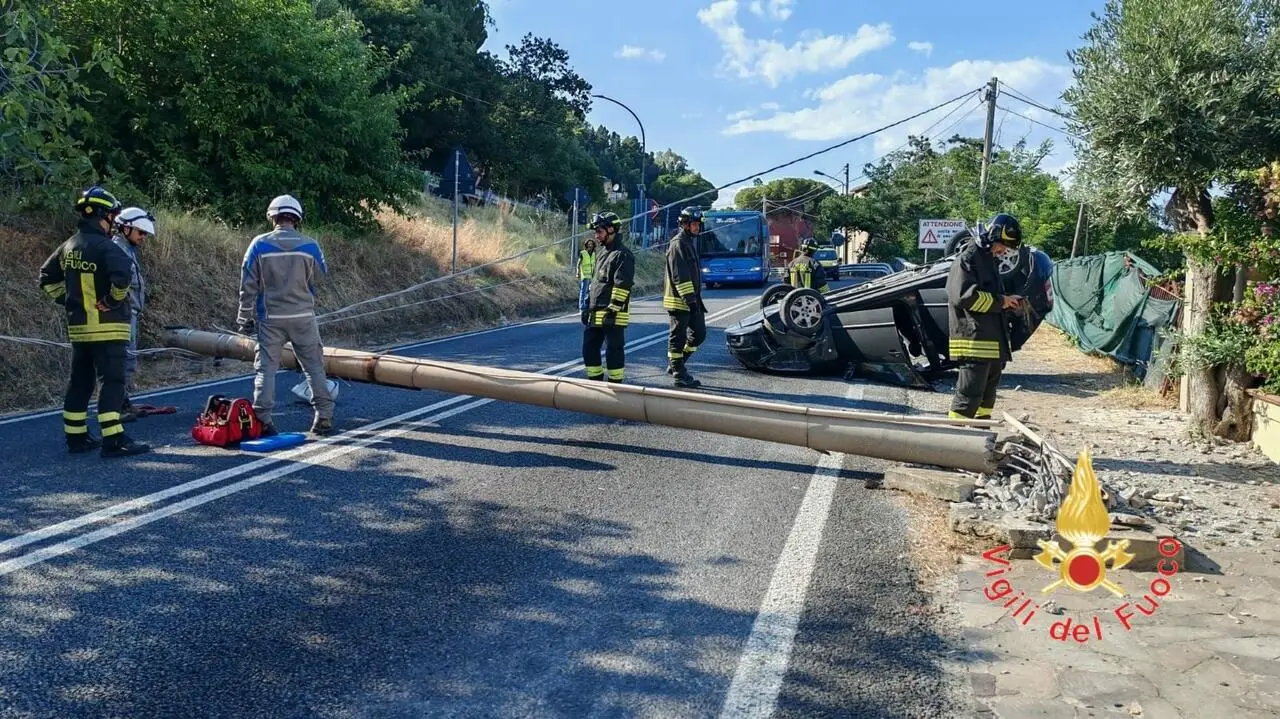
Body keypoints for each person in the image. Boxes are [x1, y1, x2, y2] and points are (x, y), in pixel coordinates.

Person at [38, 186, 151, 457]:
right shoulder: (106, 248)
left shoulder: (69, 246)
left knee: (80, 383)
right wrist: (112, 301)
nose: (114, 220)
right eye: (112, 215)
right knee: (112, 382)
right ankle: (114, 440)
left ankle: (76, 438)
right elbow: (122, 277)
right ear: (102, 216)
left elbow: (46, 277)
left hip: (79, 330)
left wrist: (67, 300)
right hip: (109, 327)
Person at [236, 194, 335, 436]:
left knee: (266, 370)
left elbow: (247, 283)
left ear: (272, 216)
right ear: (297, 218)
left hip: (270, 320)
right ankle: (324, 416)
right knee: (313, 368)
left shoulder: (259, 244)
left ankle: (263, 419)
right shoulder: (311, 245)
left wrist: (243, 317)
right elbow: (321, 277)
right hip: (304, 317)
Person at [946, 213, 1023, 420]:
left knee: (986, 399)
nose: (1003, 251)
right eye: (1002, 245)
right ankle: (953, 442)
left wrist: (1006, 301)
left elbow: (989, 296)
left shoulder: (987, 260)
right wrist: (1001, 301)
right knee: (968, 396)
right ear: (992, 237)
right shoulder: (968, 259)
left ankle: (981, 440)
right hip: (974, 342)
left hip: (989, 343)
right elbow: (962, 297)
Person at [111, 207, 155, 421]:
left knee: (128, 360)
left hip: (130, 313)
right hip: (122, 314)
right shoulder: (117, 250)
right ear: (126, 229)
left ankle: (123, 401)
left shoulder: (127, 249)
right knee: (122, 360)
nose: (143, 237)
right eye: (141, 233)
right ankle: (116, 407)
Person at [581, 211, 634, 382]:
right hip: (595, 312)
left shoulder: (623, 255)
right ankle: (595, 384)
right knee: (589, 347)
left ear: (611, 229)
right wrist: (587, 306)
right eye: (595, 232)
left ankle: (615, 385)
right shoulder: (603, 253)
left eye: (599, 231)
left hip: (614, 314)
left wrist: (612, 311)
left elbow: (622, 285)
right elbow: (595, 284)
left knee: (614, 349)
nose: (596, 236)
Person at [663, 207, 707, 388]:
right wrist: (689, 300)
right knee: (678, 338)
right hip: (679, 300)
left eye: (698, 224)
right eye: (694, 224)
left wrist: (694, 301)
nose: (697, 228)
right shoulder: (678, 243)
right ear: (685, 224)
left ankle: (677, 364)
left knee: (699, 335)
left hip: (692, 300)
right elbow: (680, 275)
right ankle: (679, 373)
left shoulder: (689, 242)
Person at [576, 238, 597, 312]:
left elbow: (595, 265)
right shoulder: (583, 253)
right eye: (588, 244)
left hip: (592, 276)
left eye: (591, 244)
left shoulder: (594, 254)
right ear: (586, 245)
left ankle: (587, 307)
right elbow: (578, 264)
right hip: (585, 275)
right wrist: (577, 272)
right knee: (583, 292)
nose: (590, 246)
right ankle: (582, 308)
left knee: (589, 293)